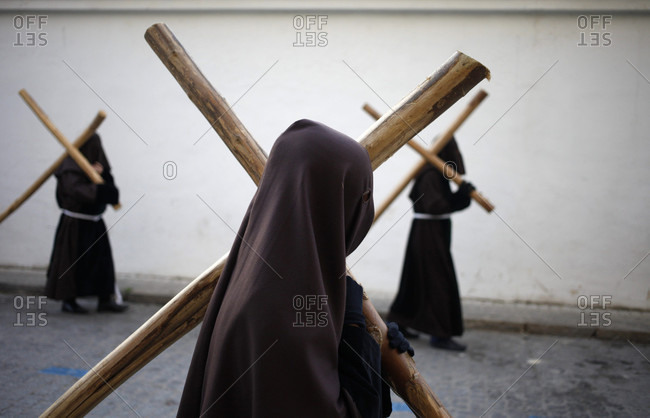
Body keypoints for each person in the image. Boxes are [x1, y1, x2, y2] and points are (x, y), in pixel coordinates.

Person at [177, 120, 412, 418]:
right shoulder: (287, 306)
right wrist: (358, 339)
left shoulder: (248, 275)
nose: (366, 210)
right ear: (334, 199)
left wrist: (374, 343)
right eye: (362, 196)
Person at [387, 137, 474, 352]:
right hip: (428, 234)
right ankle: (439, 333)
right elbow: (435, 206)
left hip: (432, 233)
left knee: (415, 278)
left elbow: (444, 204)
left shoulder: (436, 174)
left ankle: (400, 322)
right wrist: (459, 197)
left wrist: (462, 198)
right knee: (439, 280)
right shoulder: (430, 175)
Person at [45, 133, 127, 314]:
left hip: (95, 222)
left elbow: (112, 193)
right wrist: (102, 189)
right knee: (71, 262)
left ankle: (105, 299)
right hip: (74, 223)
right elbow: (79, 192)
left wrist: (103, 175)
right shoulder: (69, 168)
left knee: (102, 262)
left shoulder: (98, 168)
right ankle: (69, 300)